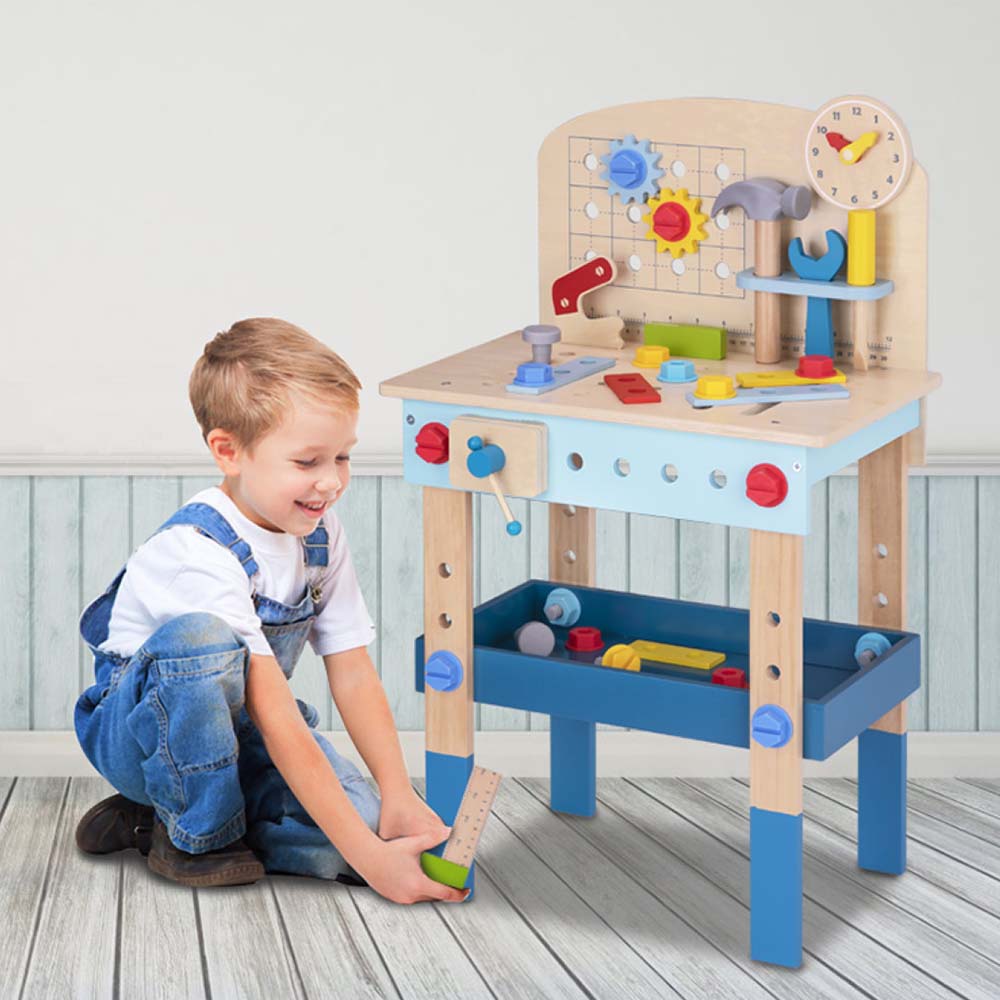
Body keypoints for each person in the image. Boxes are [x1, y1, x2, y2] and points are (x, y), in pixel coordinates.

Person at [73, 317, 467, 904]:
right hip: (137, 739)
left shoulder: (318, 534)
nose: (331, 482)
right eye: (308, 462)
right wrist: (374, 861)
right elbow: (275, 709)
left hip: (242, 736)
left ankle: (175, 819)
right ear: (229, 451)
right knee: (201, 640)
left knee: (368, 830)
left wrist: (396, 795)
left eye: (343, 456)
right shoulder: (196, 554)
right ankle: (189, 831)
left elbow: (352, 669)